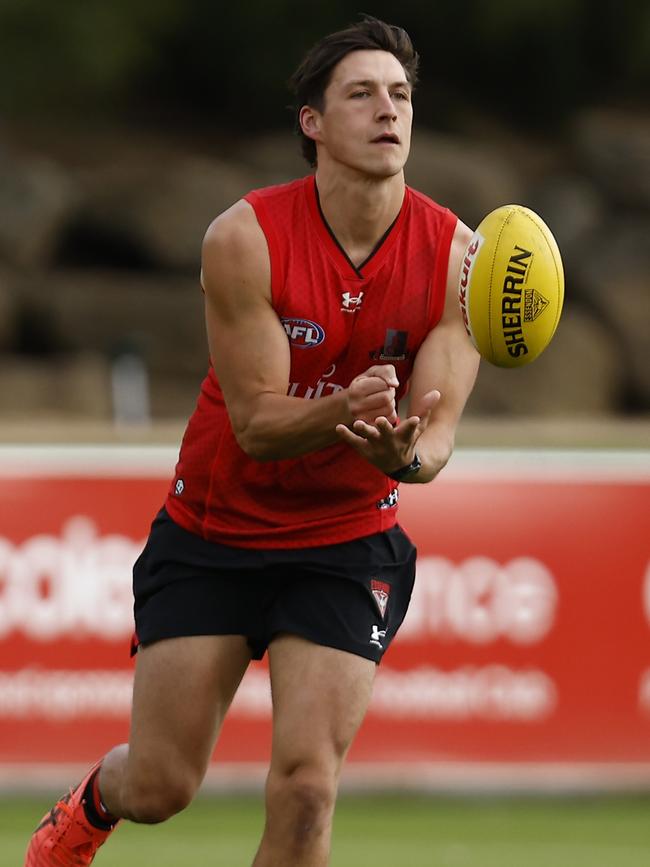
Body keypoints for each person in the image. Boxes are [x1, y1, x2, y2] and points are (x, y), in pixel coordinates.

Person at [25, 14, 480, 867]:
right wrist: (348, 409)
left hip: (347, 542)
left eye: (401, 95)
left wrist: (403, 458)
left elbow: (436, 433)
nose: (389, 110)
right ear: (312, 122)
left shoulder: (460, 257)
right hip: (214, 534)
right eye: (362, 94)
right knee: (161, 784)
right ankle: (84, 813)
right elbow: (257, 423)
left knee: (308, 786)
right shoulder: (245, 236)